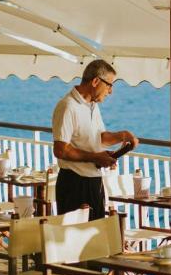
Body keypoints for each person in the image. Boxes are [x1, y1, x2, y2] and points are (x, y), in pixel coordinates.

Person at [51, 59, 138, 219]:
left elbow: (100, 137)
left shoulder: (92, 105)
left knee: (96, 232)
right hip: (74, 184)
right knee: (76, 234)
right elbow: (61, 150)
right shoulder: (68, 106)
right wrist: (96, 157)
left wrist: (123, 135)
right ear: (96, 81)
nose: (111, 91)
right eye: (109, 85)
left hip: (94, 181)